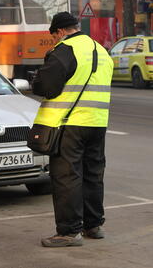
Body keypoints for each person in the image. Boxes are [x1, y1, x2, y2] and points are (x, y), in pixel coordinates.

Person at [31, 12, 114, 247]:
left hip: (69, 123)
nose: (55, 40)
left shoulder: (65, 49)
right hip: (97, 122)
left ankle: (68, 232)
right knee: (93, 174)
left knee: (67, 176)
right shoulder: (101, 51)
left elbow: (45, 86)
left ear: (59, 32)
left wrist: (37, 80)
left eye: (54, 36)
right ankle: (93, 225)